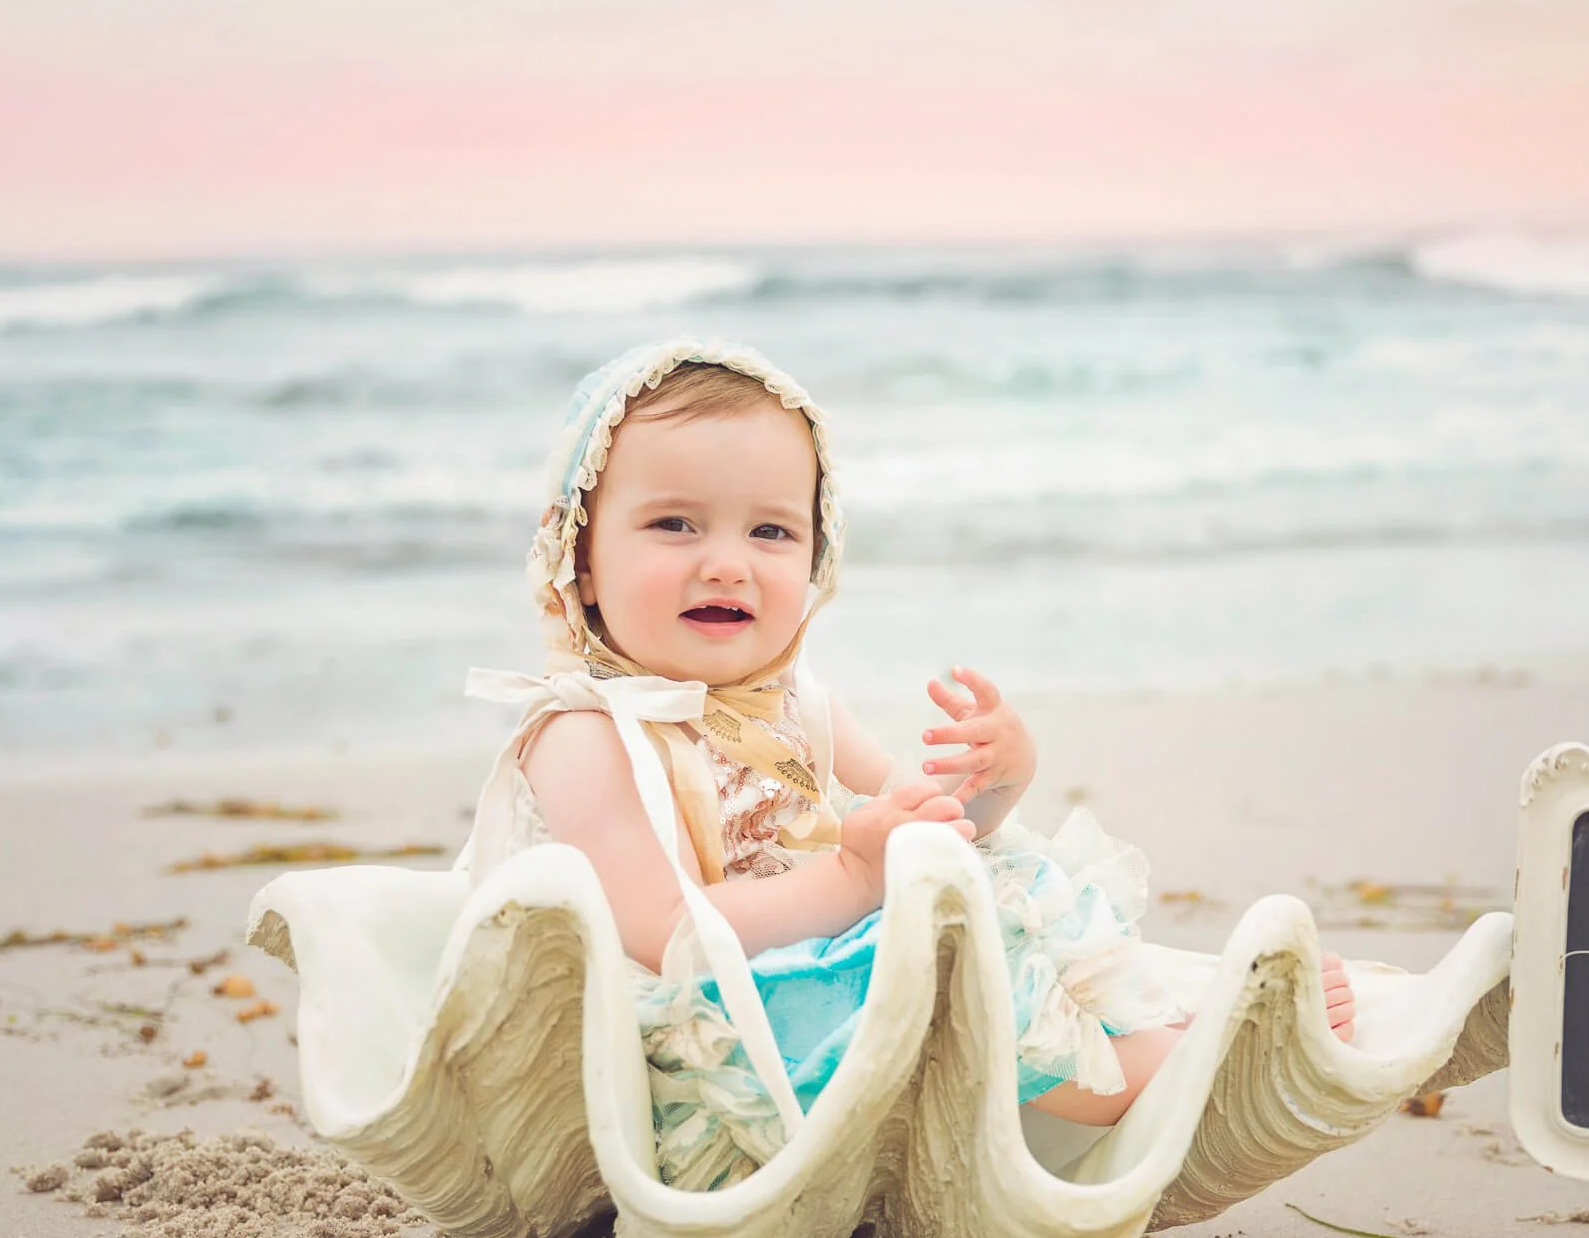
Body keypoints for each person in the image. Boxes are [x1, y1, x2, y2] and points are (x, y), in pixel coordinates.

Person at [460, 340, 1355, 1189]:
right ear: (578, 559)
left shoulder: (794, 699)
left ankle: (1147, 1038)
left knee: (988, 891)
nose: (727, 563)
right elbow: (668, 933)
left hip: (801, 972)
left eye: (771, 531)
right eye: (674, 523)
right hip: (691, 1048)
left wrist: (995, 778)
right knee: (939, 952)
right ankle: (1186, 1064)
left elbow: (925, 826)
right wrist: (855, 873)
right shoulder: (583, 734)